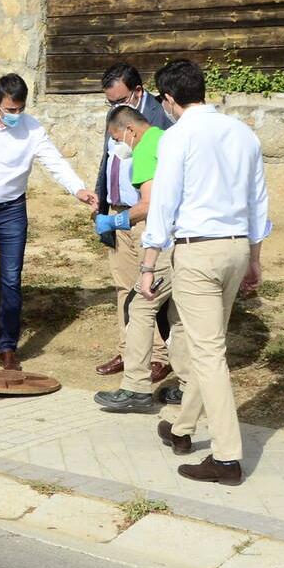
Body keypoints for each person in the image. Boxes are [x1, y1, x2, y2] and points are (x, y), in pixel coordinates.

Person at [138, 60, 270, 486]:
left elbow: (163, 204)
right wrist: (254, 256)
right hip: (235, 247)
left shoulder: (178, 137)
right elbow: (258, 201)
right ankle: (181, 429)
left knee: (208, 354)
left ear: (169, 99)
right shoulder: (243, 133)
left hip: (197, 252)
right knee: (207, 346)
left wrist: (148, 260)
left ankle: (228, 458)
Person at [0, 74, 97, 371]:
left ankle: (8, 347)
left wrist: (78, 188)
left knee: (11, 279)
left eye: (19, 109)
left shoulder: (32, 128)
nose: (15, 115)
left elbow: (54, 161)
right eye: (9, 110)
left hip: (11, 209)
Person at [92, 105, 181, 413]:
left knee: (140, 304)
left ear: (129, 131)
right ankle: (187, 384)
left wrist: (115, 222)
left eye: (118, 138)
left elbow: (149, 205)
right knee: (179, 314)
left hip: (165, 238)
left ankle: (136, 387)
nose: (118, 146)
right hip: (198, 239)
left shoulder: (145, 148)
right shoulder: (170, 139)